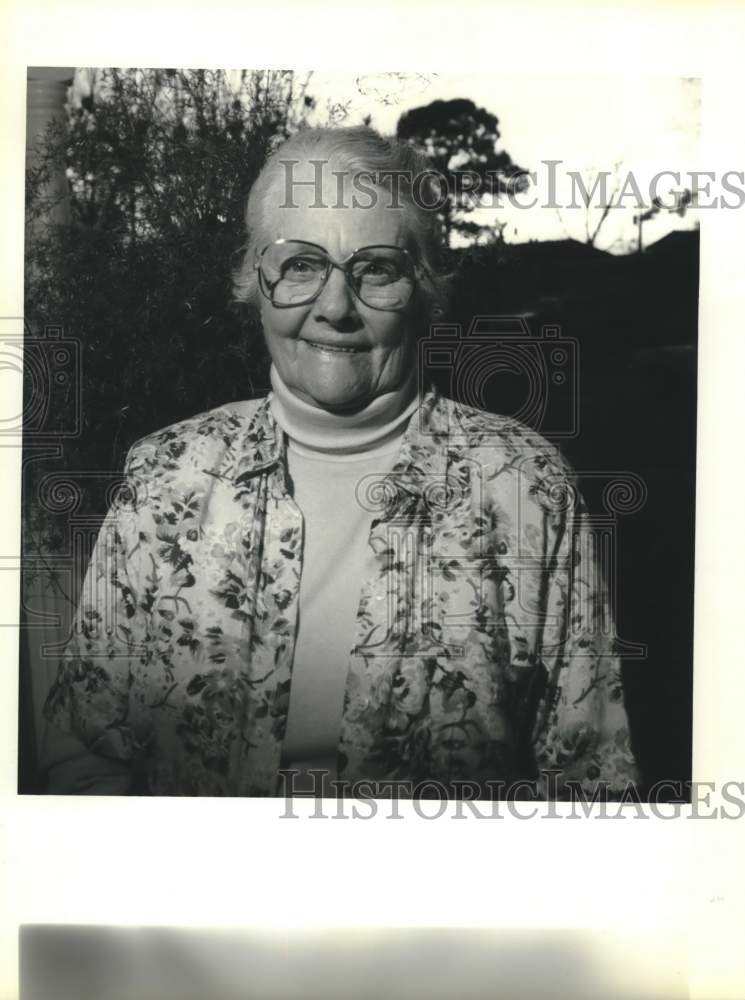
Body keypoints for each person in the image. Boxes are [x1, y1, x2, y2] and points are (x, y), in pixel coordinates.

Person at [42, 125, 637, 799]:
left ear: (424, 290)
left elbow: (590, 784)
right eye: (299, 265)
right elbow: (85, 749)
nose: (333, 308)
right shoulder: (164, 477)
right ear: (252, 283)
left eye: (375, 269)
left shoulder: (525, 487)